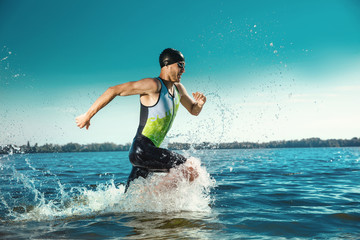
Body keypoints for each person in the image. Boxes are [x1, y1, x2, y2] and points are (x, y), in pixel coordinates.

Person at [75, 48, 206, 191]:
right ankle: (157, 198)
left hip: (149, 153)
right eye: (180, 65)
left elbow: (193, 110)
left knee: (131, 200)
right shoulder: (153, 85)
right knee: (190, 168)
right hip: (142, 150)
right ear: (167, 65)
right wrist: (88, 115)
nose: (184, 70)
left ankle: (143, 204)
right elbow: (114, 90)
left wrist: (199, 104)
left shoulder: (179, 89)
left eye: (184, 66)